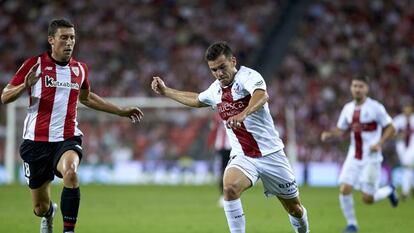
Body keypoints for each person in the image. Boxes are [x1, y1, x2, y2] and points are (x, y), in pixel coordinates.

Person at [1, 19, 143, 233]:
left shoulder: (80, 69)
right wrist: (25, 85)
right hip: (35, 142)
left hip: (67, 138)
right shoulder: (34, 64)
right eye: (64, 37)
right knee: (40, 207)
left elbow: (87, 98)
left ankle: (69, 231)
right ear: (51, 40)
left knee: (71, 173)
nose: (69, 42)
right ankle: (49, 214)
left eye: (72, 38)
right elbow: (5, 97)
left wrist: (121, 111)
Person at [152, 41, 310, 233]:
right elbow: (196, 99)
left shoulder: (249, 77)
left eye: (222, 67)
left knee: (294, 209)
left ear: (233, 61)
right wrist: (166, 91)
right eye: (213, 70)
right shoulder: (215, 90)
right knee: (230, 187)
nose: (219, 73)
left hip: (271, 154)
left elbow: (262, 95)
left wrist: (242, 114)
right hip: (243, 156)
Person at [321, 75, 398, 233]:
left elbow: (391, 128)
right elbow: (341, 129)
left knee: (367, 199)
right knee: (344, 188)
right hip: (354, 156)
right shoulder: (348, 108)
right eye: (354, 85)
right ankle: (352, 225)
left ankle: (389, 189)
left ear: (366, 88)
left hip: (371, 158)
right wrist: (330, 134)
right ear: (351, 87)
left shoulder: (375, 107)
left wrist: (380, 143)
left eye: (360, 86)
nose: (357, 89)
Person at [207, 113, 231, 207]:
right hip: (222, 148)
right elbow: (213, 130)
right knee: (223, 171)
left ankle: (231, 195)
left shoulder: (235, 109)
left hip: (234, 146)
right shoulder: (217, 115)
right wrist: (210, 143)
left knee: (233, 171)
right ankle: (223, 195)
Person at [393, 101, 414, 200]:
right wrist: (398, 135)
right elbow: (391, 133)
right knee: (407, 167)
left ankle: (405, 192)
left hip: (412, 146)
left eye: (409, 107)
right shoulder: (398, 120)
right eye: (405, 107)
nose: (407, 110)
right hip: (401, 146)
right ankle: (411, 187)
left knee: (407, 165)